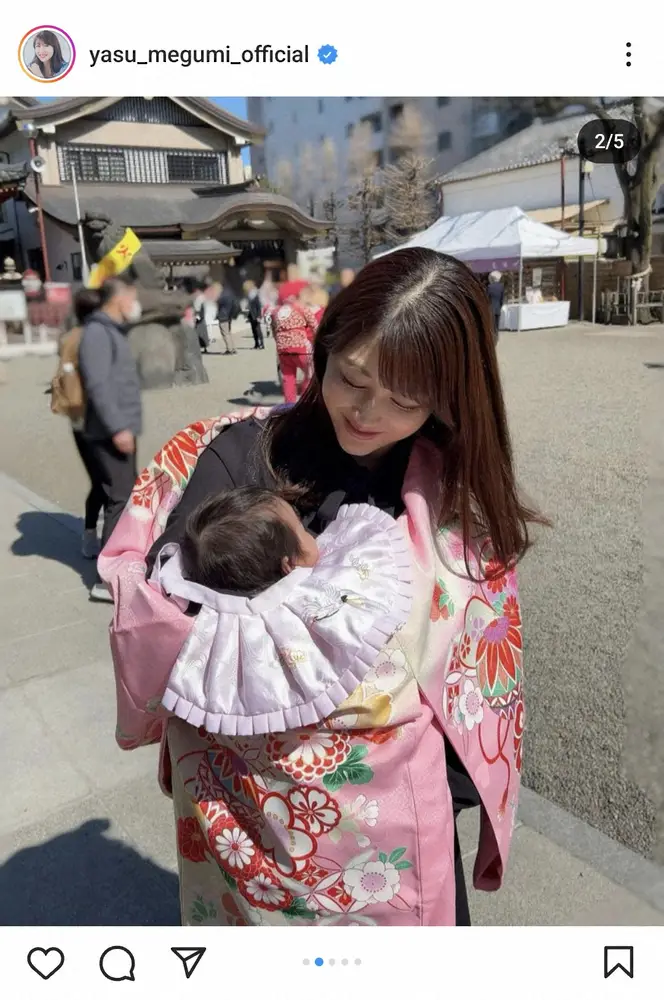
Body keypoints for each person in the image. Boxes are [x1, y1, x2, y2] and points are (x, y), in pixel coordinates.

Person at [101, 247, 547, 926]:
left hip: (399, 817)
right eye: (351, 378)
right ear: (326, 342)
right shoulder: (244, 456)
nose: (368, 413)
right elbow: (167, 612)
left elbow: (480, 663)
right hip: (251, 818)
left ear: (450, 400)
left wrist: (443, 783)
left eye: (406, 401)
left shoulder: (453, 493)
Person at [78, 275, 143, 602]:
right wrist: (118, 427)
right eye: (132, 296)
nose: (135, 302)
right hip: (108, 431)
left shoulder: (111, 330)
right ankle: (107, 579)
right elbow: (99, 385)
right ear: (119, 298)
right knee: (119, 498)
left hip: (119, 428)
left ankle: (122, 565)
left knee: (125, 495)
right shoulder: (97, 333)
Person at [61, 289, 108, 559]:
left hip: (79, 420)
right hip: (97, 420)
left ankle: (91, 532)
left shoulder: (70, 337)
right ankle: (95, 534)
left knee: (100, 480)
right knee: (106, 482)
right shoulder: (92, 339)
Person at [272, 290, 319, 403]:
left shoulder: (276, 311)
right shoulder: (301, 308)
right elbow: (315, 326)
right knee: (311, 375)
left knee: (288, 378)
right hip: (300, 347)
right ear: (297, 297)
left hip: (282, 349)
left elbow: (274, 331)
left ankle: (289, 406)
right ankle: (305, 401)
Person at [216, 283, 239, 355]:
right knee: (228, 332)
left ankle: (229, 349)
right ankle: (233, 348)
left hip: (223, 316)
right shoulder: (231, 295)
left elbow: (217, 303)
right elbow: (236, 305)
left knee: (225, 333)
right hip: (229, 316)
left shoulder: (222, 296)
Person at [243, 281, 265, 350]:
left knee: (258, 330)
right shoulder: (249, 295)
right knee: (254, 330)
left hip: (256, 315)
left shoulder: (255, 295)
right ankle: (256, 344)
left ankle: (261, 344)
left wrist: (259, 316)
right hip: (251, 315)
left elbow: (258, 306)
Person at [487, 270, 505, 343]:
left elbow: (487, 298)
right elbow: (502, 299)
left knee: (492, 324)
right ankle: (496, 337)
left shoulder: (489, 287)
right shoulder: (501, 287)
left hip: (491, 308)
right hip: (498, 308)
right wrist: (500, 306)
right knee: (497, 324)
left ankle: (493, 338)